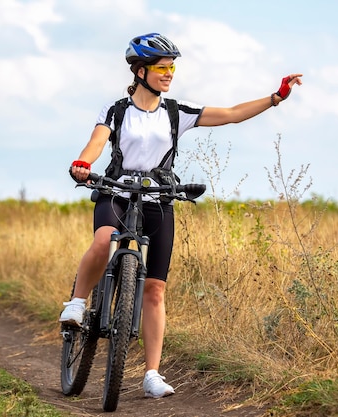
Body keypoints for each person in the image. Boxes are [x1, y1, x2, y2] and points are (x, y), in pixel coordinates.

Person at [60, 32, 302, 399]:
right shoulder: (117, 110)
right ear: (140, 71)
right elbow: (96, 142)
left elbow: (233, 115)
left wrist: (276, 98)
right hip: (117, 193)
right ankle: (77, 303)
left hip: (159, 198)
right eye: (162, 67)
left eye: (172, 67)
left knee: (155, 289)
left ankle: (152, 373)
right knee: (102, 239)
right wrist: (83, 163)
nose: (169, 73)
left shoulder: (177, 111)